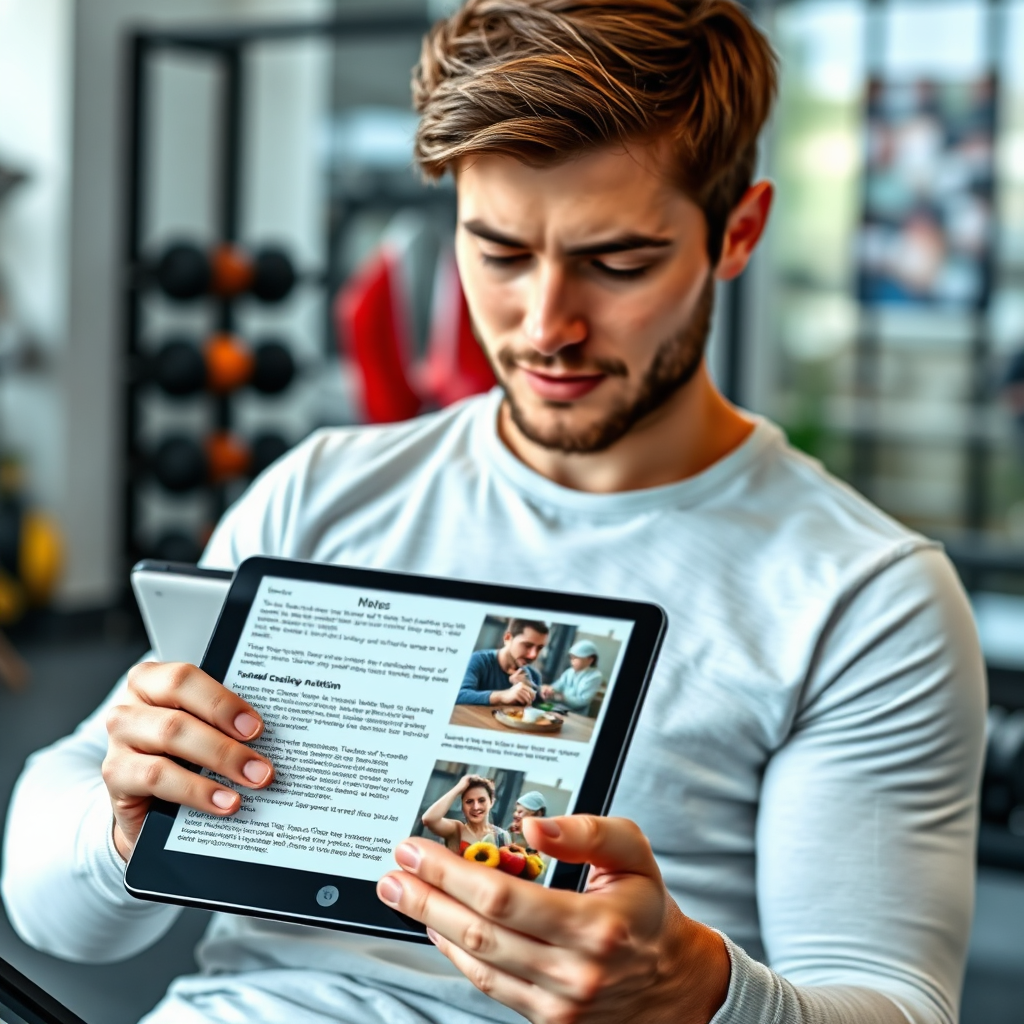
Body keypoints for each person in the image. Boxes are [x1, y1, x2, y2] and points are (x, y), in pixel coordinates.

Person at [1, 2, 985, 1023]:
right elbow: (53, 915)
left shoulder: (865, 597)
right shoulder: (323, 491)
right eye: (501, 253)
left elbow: (894, 1002)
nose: (546, 325)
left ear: (737, 232)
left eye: (618, 262)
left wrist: (698, 992)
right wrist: (121, 829)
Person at [456, 619, 548, 705]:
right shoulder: (479, 660)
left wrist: (530, 688)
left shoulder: (533, 675)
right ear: (507, 638)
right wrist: (502, 696)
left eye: (539, 648)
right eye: (527, 645)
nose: (533, 655)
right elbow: (459, 695)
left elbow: (540, 707)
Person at [421, 775, 513, 853]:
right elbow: (429, 819)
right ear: (462, 806)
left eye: (481, 800)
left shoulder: (502, 836)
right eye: (469, 802)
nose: (475, 807)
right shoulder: (456, 830)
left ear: (491, 802)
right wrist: (458, 788)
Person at [539, 640, 603, 712]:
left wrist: (562, 697)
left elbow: (582, 701)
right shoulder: (570, 671)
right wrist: (549, 689)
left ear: (590, 660)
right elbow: (558, 685)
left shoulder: (595, 676)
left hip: (576, 713)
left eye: (576, 658)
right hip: (559, 708)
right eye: (571, 658)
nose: (572, 661)